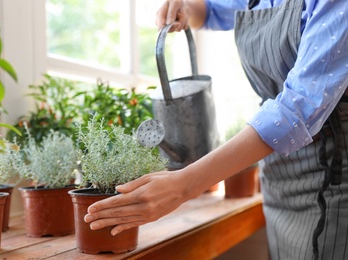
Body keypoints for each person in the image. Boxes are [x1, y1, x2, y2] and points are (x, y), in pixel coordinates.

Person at [84, 0, 348, 259]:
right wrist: (185, 8)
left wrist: (184, 186)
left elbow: (295, 110)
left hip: (332, 178)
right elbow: (209, 11)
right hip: (277, 177)